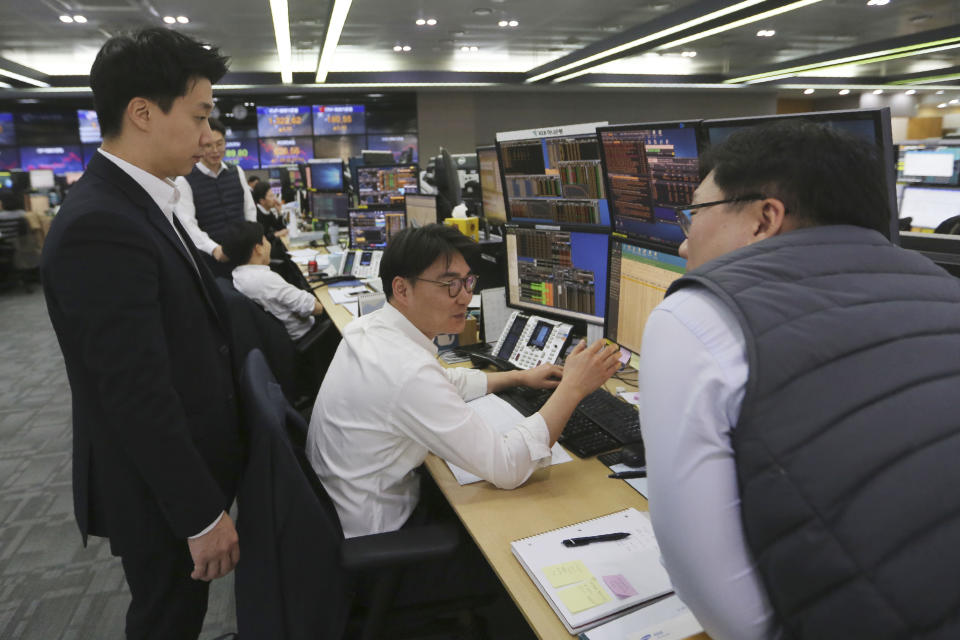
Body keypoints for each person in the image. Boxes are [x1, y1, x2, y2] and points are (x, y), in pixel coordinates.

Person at [639, 120, 960, 640]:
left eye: (692, 215)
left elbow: (725, 607)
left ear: (764, 218)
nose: (682, 244)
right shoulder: (943, 286)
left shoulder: (697, 316)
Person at [41, 28, 242, 640]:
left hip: (174, 473)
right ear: (143, 113)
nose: (210, 135)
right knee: (165, 619)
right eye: (200, 114)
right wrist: (199, 513)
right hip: (155, 489)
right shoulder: (101, 223)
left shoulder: (144, 198)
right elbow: (133, 390)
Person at [307, 223, 622, 539]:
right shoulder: (406, 371)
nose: (466, 297)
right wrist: (573, 388)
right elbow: (507, 467)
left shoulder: (371, 328)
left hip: (346, 506)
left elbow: (444, 381)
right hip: (380, 531)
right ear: (402, 289)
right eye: (450, 285)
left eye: (468, 282)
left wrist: (519, 376)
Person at [173, 116, 256, 270]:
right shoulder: (184, 180)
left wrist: (252, 240)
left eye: (220, 143)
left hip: (245, 258)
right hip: (210, 260)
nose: (215, 150)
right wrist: (214, 249)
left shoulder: (236, 171)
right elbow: (187, 224)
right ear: (198, 146)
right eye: (208, 145)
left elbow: (249, 209)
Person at [222, 220, 323, 340]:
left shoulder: (238, 275)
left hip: (281, 336)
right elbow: (316, 309)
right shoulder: (265, 280)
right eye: (265, 240)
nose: (269, 244)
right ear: (258, 249)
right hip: (307, 336)